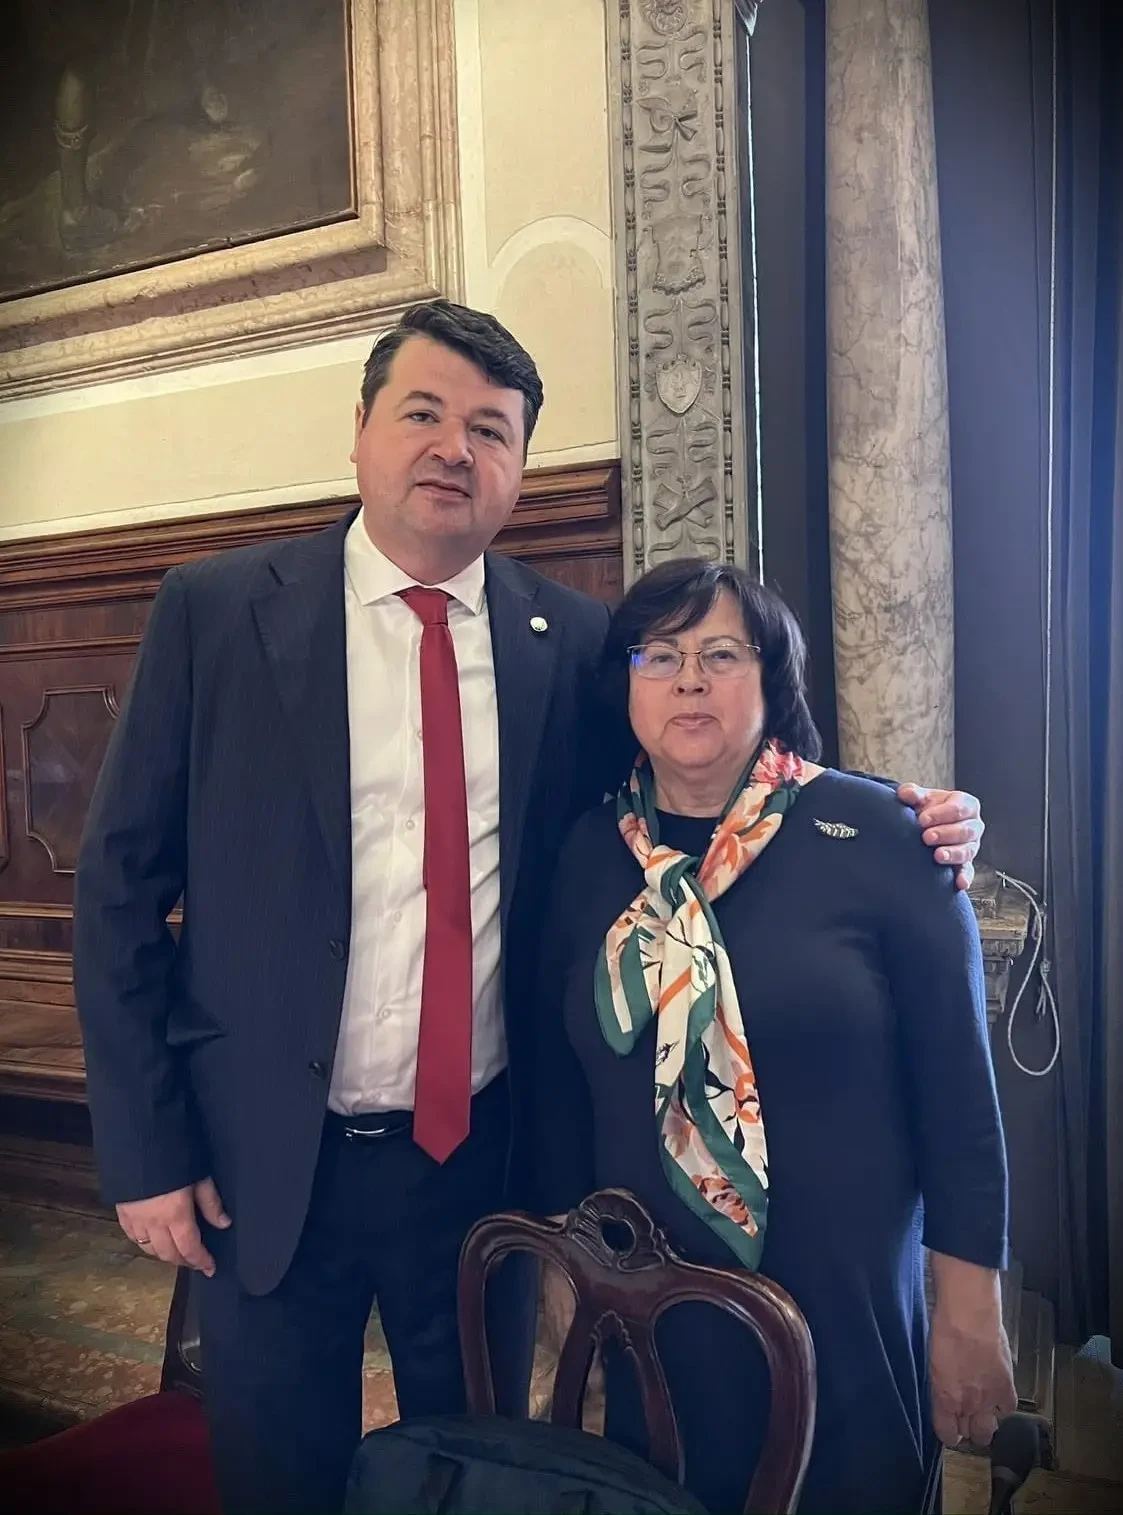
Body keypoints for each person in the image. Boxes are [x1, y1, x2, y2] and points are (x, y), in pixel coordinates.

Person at [72, 299, 987, 1515]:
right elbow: (119, 888)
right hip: (262, 1163)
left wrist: (896, 811)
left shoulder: (567, 640)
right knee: (276, 1476)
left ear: (518, 468)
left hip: (477, 1178)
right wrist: (146, 1150)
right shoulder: (217, 611)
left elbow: (700, 770)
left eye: (491, 430)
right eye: (424, 413)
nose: (454, 448)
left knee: (482, 1476)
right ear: (360, 430)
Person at [532, 558, 1015, 1515]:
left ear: (771, 676)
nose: (689, 680)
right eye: (658, 655)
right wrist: (559, 1257)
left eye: (720, 654)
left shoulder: (884, 835)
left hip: (843, 1304)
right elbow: (556, 1083)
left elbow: (959, 1096)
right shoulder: (587, 853)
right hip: (646, 1307)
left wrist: (969, 1307)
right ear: (625, 684)